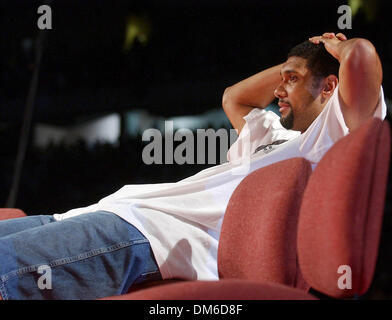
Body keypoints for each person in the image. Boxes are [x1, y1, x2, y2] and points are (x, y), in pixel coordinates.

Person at [0, 32, 387, 300]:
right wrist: (296, 66)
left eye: (293, 81)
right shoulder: (276, 138)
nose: (278, 91)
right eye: (280, 80)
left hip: (148, 235)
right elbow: (234, 98)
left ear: (330, 88)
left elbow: (364, 57)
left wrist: (332, 47)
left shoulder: (331, 138)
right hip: (106, 213)